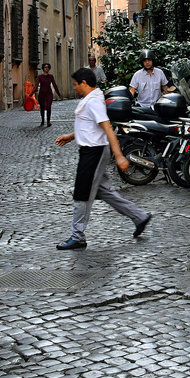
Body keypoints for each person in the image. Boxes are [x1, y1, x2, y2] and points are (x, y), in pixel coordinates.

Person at [55, 68, 151, 251]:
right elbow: (90, 126)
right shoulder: (92, 99)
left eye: (75, 84)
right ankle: (139, 217)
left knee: (82, 194)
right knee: (104, 192)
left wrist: (119, 156)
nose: (74, 88)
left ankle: (77, 236)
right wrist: (71, 136)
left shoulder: (93, 102)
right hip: (92, 151)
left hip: (94, 153)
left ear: (84, 83)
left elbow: (107, 128)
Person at [35, 64, 58, 128]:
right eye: (45, 67)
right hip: (42, 93)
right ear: (43, 68)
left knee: (48, 106)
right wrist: (32, 92)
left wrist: (57, 92)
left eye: (47, 67)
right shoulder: (40, 76)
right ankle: (42, 121)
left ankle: (48, 121)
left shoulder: (50, 76)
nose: (46, 68)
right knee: (42, 107)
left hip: (49, 93)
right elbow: (36, 85)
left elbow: (54, 84)